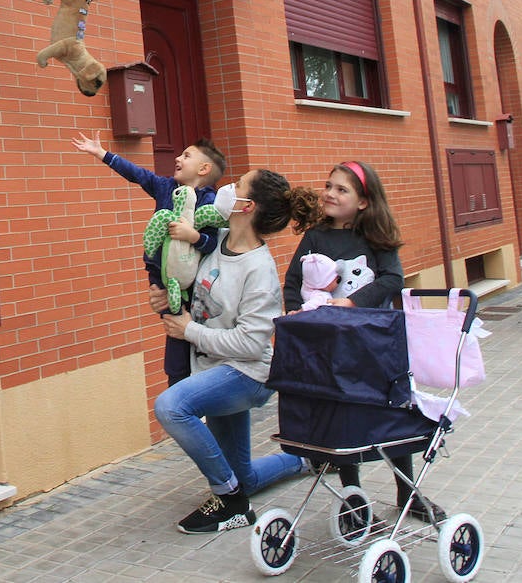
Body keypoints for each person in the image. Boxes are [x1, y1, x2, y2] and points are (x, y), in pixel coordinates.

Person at [152, 168, 320, 534]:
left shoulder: (259, 269)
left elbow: (250, 343)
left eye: (237, 184)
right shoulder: (214, 240)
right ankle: (305, 462)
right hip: (214, 367)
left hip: (247, 374)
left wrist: (189, 330)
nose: (226, 188)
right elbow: (187, 283)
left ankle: (229, 501)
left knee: (171, 406)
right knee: (244, 474)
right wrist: (165, 299)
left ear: (245, 205)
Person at [282, 160, 446, 522]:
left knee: (389, 411)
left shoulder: (375, 236)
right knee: (343, 413)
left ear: (363, 202)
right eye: (329, 185)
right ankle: (352, 494)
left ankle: (407, 492)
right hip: (330, 345)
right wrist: (297, 314)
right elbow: (294, 280)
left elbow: (392, 279)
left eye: (342, 189)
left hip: (374, 342)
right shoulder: (315, 236)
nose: (330, 193)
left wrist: (352, 302)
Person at [72, 132, 225, 385]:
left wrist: (193, 236)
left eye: (186, 155)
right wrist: (102, 154)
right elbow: (136, 174)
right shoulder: (166, 187)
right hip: (162, 276)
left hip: (192, 282)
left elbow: (212, 243)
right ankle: (177, 378)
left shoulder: (209, 201)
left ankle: (192, 378)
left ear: (204, 168)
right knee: (173, 324)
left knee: (187, 327)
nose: (177, 157)